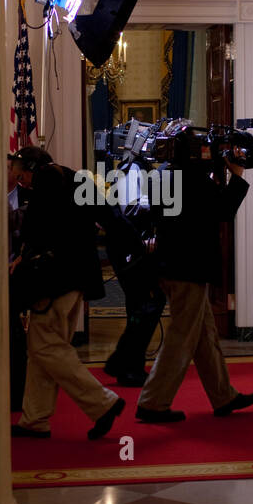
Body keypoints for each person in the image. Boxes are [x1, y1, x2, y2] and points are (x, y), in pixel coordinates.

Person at [134, 153, 253, 423]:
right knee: (182, 336)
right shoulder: (194, 180)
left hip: (169, 265)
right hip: (188, 269)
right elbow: (223, 210)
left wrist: (215, 179)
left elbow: (181, 212)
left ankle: (223, 395)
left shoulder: (162, 173)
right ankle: (152, 402)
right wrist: (236, 176)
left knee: (204, 333)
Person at [10, 150, 126, 440]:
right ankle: (34, 420)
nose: (21, 181)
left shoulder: (46, 182)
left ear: (34, 167)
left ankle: (103, 403)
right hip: (78, 279)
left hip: (53, 282)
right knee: (43, 349)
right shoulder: (76, 177)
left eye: (22, 174)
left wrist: (22, 257)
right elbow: (109, 215)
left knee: (46, 347)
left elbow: (34, 231)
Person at [99, 160, 165, 387]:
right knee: (145, 304)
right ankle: (126, 365)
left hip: (129, 246)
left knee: (143, 305)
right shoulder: (133, 168)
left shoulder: (137, 168)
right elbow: (130, 208)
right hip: (128, 248)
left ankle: (124, 363)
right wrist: (159, 201)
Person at [6, 147, 51, 411]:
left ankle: (20, 395)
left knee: (23, 339)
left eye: (12, 168)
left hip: (21, 275)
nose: (13, 172)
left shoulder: (34, 196)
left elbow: (22, 225)